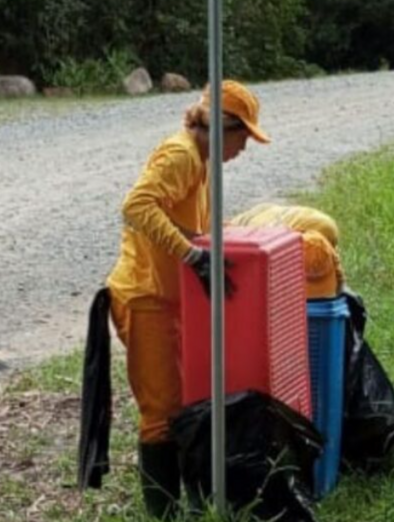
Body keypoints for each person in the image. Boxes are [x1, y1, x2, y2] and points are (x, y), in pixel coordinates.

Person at [105, 80, 270, 517]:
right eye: (243, 137)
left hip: (171, 300)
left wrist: (217, 249)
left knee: (184, 403)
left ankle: (189, 506)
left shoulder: (203, 162)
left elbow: (194, 227)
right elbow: (136, 207)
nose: (244, 148)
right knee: (160, 414)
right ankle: (164, 514)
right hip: (144, 297)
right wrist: (191, 256)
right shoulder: (181, 154)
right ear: (221, 127)